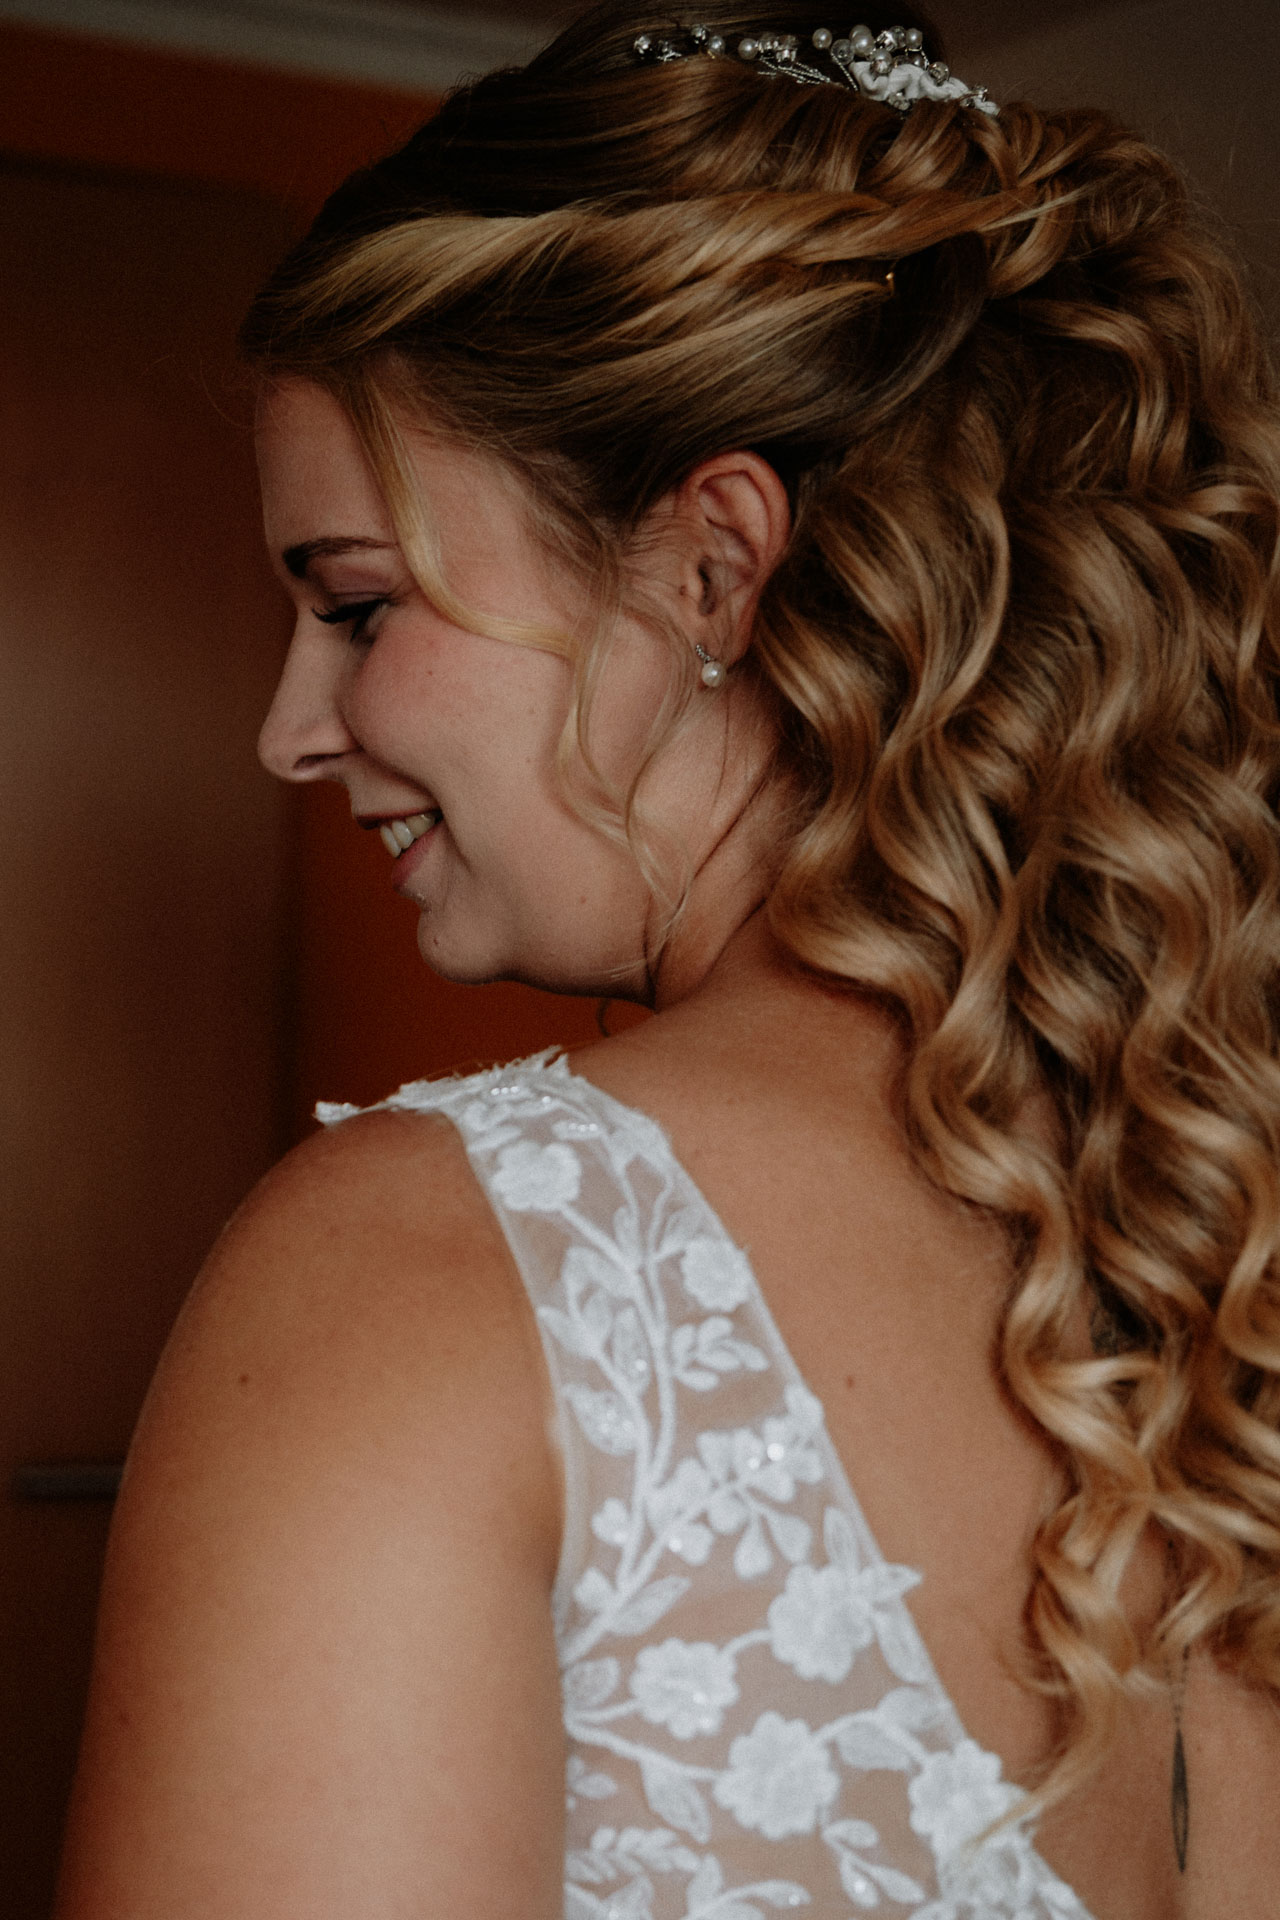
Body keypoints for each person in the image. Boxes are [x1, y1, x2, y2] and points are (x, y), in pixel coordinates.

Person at [54, 7, 1280, 1917]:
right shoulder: (1214, 1243)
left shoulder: (436, 1276)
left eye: (357, 605)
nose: (292, 732)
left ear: (712, 566)